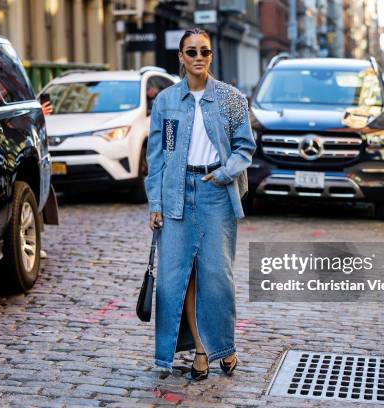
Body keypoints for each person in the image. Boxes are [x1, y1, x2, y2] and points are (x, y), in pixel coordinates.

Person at [145, 28, 256, 380]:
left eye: (204, 52)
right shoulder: (166, 102)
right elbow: (158, 157)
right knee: (176, 279)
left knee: (216, 276)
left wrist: (225, 173)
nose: (198, 57)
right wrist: (155, 203)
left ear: (211, 56)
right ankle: (202, 350)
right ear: (180, 57)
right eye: (191, 52)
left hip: (214, 192)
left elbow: (245, 147)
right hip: (176, 192)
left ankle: (224, 345)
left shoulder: (231, 98)